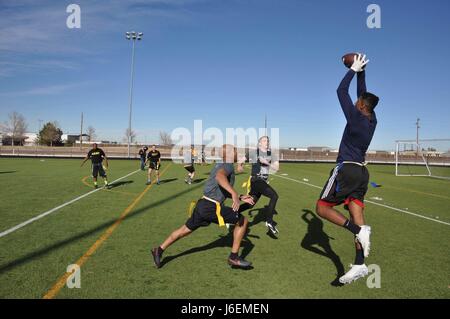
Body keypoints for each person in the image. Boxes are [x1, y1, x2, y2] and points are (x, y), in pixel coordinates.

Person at [315, 54, 379, 284]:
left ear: (360, 106)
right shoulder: (372, 120)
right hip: (362, 173)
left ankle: (357, 230)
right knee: (357, 215)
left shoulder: (354, 117)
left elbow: (341, 91)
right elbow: (362, 94)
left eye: (357, 102)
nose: (354, 102)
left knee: (321, 208)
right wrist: (362, 72)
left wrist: (352, 69)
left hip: (347, 170)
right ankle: (360, 264)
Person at [151, 144, 255, 269]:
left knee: (184, 230)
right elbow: (220, 177)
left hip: (202, 205)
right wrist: (233, 194)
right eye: (235, 151)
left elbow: (220, 187)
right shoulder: (227, 165)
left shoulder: (220, 164)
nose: (238, 153)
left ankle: (159, 250)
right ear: (229, 154)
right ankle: (234, 257)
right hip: (211, 207)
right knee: (242, 221)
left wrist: (239, 196)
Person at [239, 136, 280, 235]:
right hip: (256, 180)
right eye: (264, 141)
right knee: (274, 196)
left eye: (268, 141)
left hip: (263, 182)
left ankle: (232, 212)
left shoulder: (271, 154)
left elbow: (277, 168)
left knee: (250, 204)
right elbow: (241, 160)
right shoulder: (254, 152)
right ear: (259, 143)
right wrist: (240, 165)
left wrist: (267, 163)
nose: (267, 142)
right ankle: (269, 221)